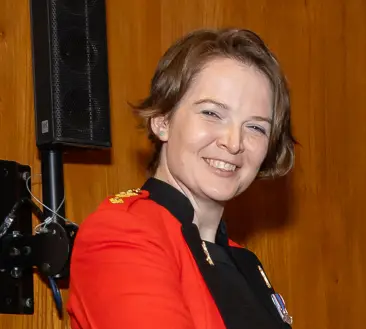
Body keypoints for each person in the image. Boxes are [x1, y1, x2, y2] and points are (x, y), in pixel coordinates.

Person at [66, 28, 296, 329]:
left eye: (256, 127)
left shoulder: (244, 262)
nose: (234, 142)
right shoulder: (121, 233)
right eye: (212, 114)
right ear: (162, 121)